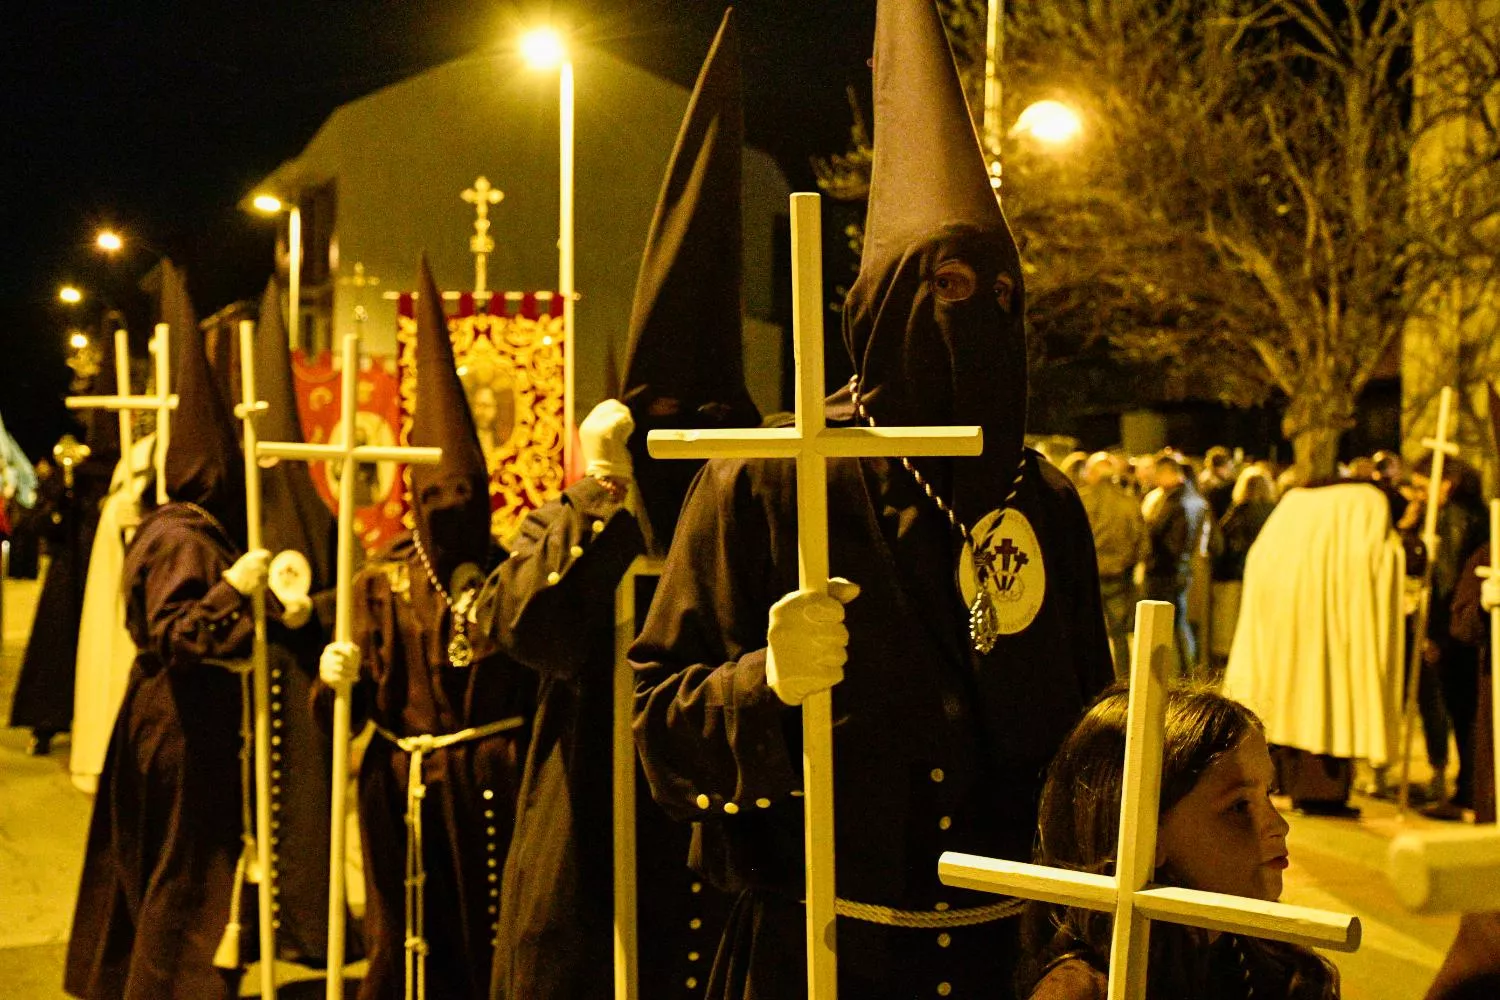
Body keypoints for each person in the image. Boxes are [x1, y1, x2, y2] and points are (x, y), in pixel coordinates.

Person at [631, 2, 1114, 995]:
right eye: (945, 285)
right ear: (890, 304)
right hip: (819, 957)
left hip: (1004, 963)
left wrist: (1078, 942)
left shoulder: (1045, 501)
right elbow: (659, 735)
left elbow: (1090, 755)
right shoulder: (773, 476)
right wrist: (767, 682)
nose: (979, 312)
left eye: (1001, 294)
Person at [314, 260, 643, 1000]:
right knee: (407, 941)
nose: (452, 506)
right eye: (436, 496)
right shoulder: (380, 579)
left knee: (495, 936)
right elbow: (355, 704)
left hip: (496, 780)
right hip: (405, 789)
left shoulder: (515, 568)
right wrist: (337, 679)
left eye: (465, 492)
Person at [64, 264, 302, 999]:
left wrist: (276, 611)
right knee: (187, 869)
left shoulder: (169, 525)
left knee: (163, 862)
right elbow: (179, 636)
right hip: (178, 722)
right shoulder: (187, 537)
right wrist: (235, 587)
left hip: (163, 719)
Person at [1018, 684, 1340, 999]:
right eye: (1239, 806)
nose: (1279, 826)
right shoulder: (1092, 989)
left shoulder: (1281, 962)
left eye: (1269, 793)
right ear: (1145, 836)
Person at [1222, 478, 1405, 816]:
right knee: (1325, 700)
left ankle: (1289, 782)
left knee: (1288, 698)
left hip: (1286, 629)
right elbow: (1377, 563)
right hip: (1328, 633)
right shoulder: (1361, 507)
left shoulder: (1291, 515)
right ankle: (1322, 791)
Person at [1405, 456, 1489, 819]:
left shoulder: (1454, 517)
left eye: (1424, 487)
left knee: (1464, 712)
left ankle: (1467, 792)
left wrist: (1436, 633)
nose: (1420, 496)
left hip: (1456, 634)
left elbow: (1447, 578)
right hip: (1466, 631)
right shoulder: (1473, 513)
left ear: (1446, 483)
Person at [1078, 452, 1146, 676]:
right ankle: (1124, 681)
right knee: (1118, 634)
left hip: (1088, 576)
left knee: (1088, 632)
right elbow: (1143, 543)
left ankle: (1092, 678)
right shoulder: (1128, 501)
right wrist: (1127, 563)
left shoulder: (1082, 500)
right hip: (1119, 575)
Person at [1207, 466, 1278, 675]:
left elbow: (1222, 540)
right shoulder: (1275, 512)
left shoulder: (1238, 511)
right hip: (1266, 575)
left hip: (1236, 573)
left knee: (1234, 620)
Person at [1142, 454, 1204, 676]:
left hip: (1165, 571)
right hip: (1182, 569)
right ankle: (1188, 669)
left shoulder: (1175, 502)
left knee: (1170, 625)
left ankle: (1178, 673)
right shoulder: (1195, 498)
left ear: (1168, 473)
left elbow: (1159, 535)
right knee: (1180, 622)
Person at [1198, 445, 1236, 519]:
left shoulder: (1206, 479)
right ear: (1220, 468)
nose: (1230, 472)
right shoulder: (1209, 484)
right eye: (1228, 468)